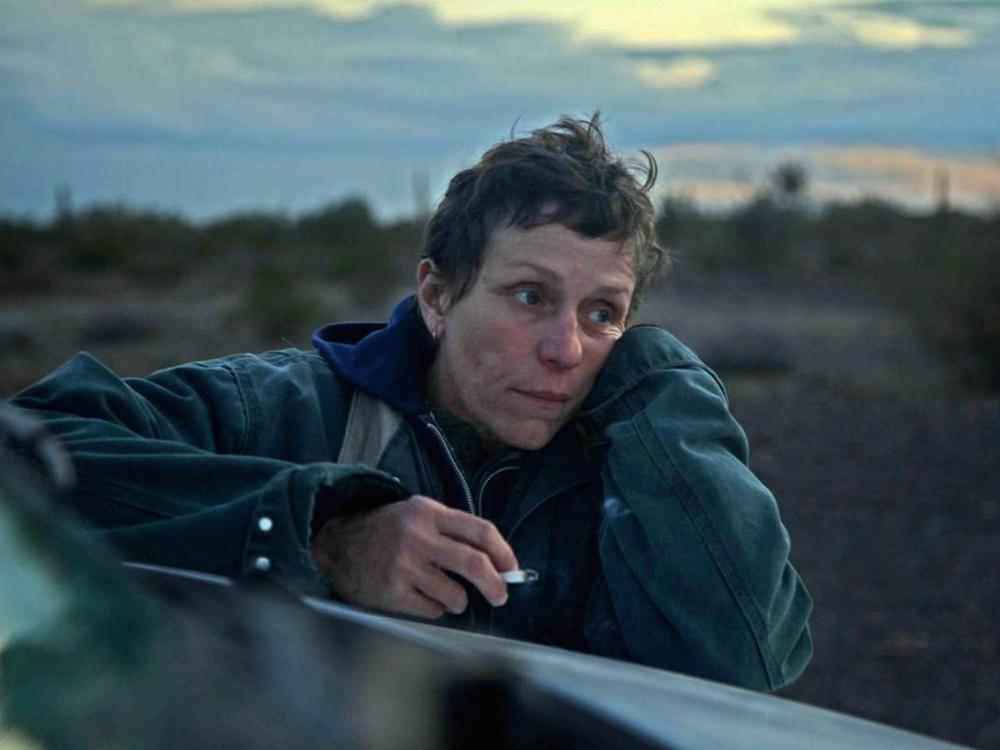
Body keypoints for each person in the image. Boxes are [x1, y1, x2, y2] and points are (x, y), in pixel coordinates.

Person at [8, 114, 812, 691]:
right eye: (529, 296)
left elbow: (745, 667)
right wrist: (320, 532)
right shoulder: (286, 410)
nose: (566, 349)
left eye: (603, 313)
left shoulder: (630, 476)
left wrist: (653, 375)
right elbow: (27, 451)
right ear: (436, 295)